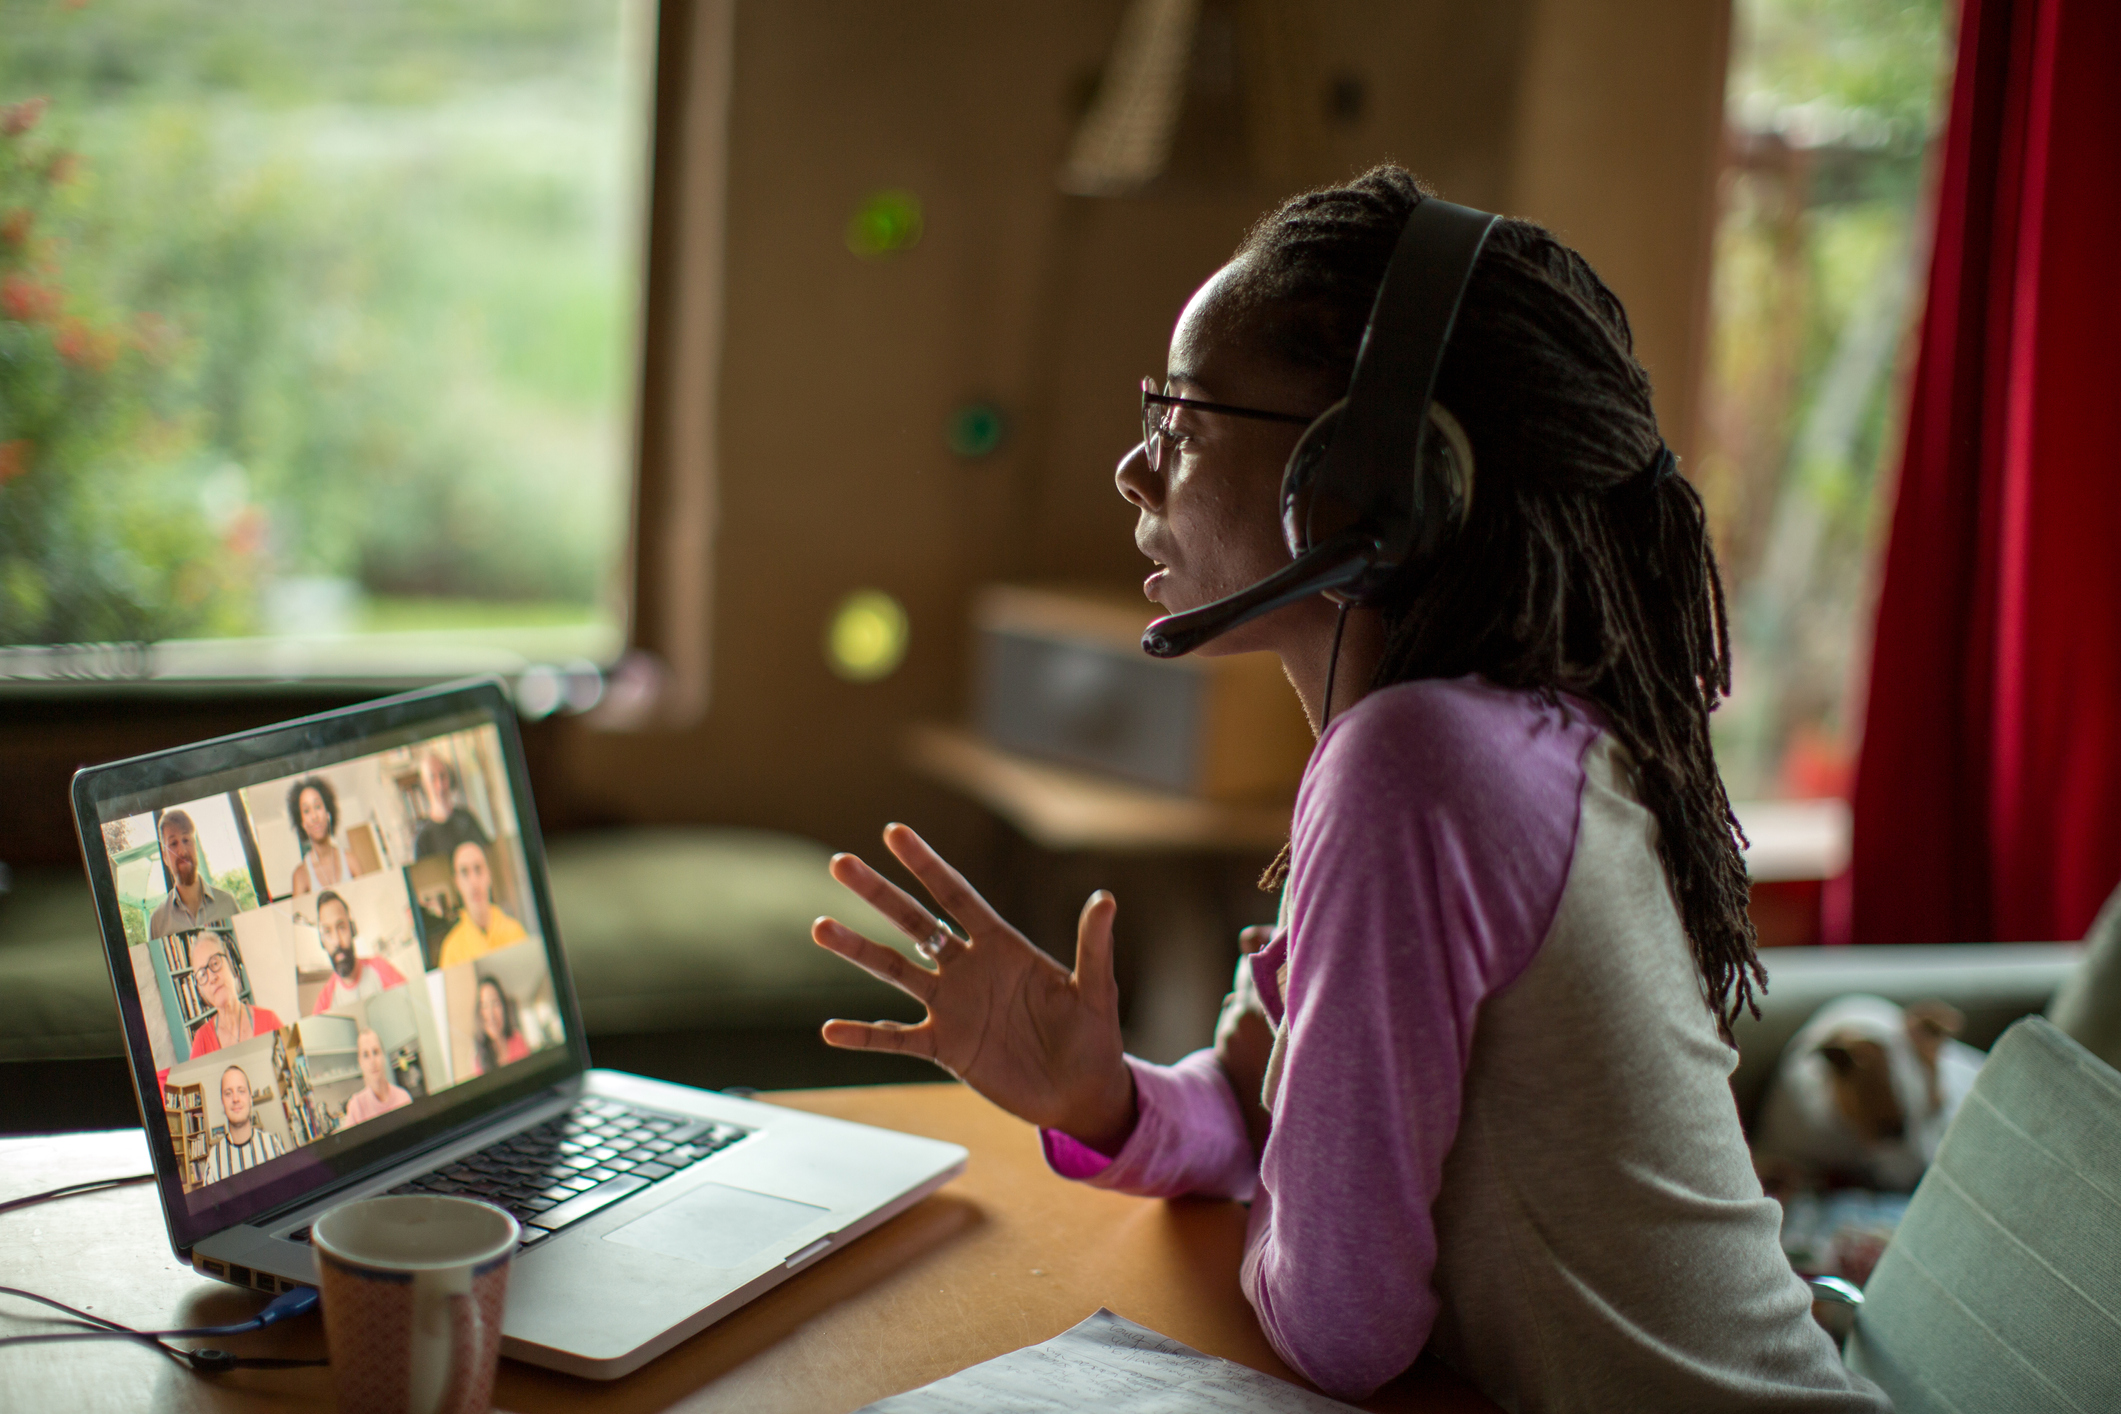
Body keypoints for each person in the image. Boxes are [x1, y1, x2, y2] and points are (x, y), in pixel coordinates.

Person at [811, 168, 1887, 1409]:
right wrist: (1103, 1098)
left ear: (1368, 484)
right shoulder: (1510, 732)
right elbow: (1266, 1109)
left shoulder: (1418, 765)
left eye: (1182, 420)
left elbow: (1340, 1323)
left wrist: (1282, 1163)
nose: (1131, 470)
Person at [186, 930, 283, 1057]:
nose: (211, 978)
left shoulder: (269, 1020)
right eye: (202, 975)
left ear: (232, 964)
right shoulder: (201, 1041)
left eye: (215, 963)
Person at [309, 891, 408, 1014]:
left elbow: (412, 1004)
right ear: (322, 941)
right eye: (328, 932)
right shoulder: (324, 1002)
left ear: (353, 929)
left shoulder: (379, 967)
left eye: (341, 927)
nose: (336, 941)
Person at [435, 839, 527, 968]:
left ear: (488, 876)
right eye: (464, 872)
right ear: (457, 883)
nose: (474, 882)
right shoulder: (451, 950)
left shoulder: (515, 932)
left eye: (478, 869)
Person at [148, 809, 238, 939]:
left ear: (195, 847)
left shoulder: (228, 904)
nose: (182, 851)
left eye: (186, 840)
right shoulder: (157, 923)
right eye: (173, 843)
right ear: (165, 857)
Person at [203, 1064, 287, 1184]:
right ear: (223, 1103)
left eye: (241, 1091)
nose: (235, 1099)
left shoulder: (272, 1144)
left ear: (250, 1099)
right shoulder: (214, 1159)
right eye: (228, 1093)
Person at [412, 754, 490, 862]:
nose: (440, 785)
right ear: (424, 785)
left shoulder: (467, 818)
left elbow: (488, 854)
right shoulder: (423, 840)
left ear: (449, 779)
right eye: (432, 778)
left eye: (442, 776)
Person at [286, 776, 352, 896]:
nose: (314, 816)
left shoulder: (350, 860)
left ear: (328, 814)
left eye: (317, 806)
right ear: (303, 824)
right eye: (306, 811)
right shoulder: (300, 875)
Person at [341, 1027, 413, 1125]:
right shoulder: (356, 1107)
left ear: (384, 1056)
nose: (372, 1061)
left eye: (375, 1052)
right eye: (366, 1055)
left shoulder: (403, 1098)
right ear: (360, 1062)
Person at [472, 976, 532, 1075]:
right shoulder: (479, 1060)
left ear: (504, 1006)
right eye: (484, 1006)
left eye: (495, 1003)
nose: (491, 1015)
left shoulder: (517, 1040)